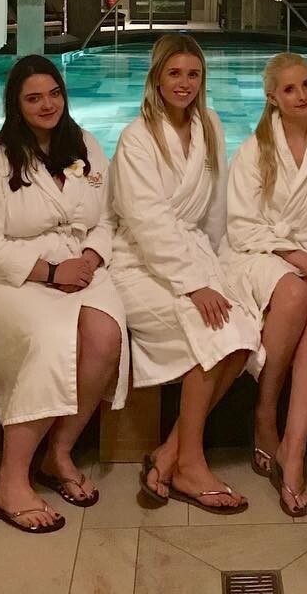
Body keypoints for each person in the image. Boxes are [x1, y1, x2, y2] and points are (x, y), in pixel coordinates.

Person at [0, 55, 126, 534]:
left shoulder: (86, 146)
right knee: (52, 339)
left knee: (106, 336)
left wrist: (90, 259)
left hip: (80, 267)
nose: (47, 104)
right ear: (16, 105)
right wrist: (51, 272)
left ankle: (59, 452)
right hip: (10, 279)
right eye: (33, 98)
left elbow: (107, 218)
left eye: (54, 94)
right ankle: (10, 481)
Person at [110, 34, 261, 515]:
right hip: (138, 262)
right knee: (211, 330)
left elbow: (214, 209)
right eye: (174, 73)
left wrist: (217, 269)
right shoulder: (137, 138)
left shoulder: (209, 124)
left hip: (194, 255)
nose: (184, 83)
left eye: (193, 74)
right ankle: (191, 464)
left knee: (244, 328)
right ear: (156, 77)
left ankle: (170, 453)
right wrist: (193, 285)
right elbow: (147, 223)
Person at [219, 52, 307, 516]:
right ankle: (265, 409)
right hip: (258, 253)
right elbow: (241, 227)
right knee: (295, 292)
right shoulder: (254, 149)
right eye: (290, 89)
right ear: (272, 97)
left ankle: (294, 451)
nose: (302, 96)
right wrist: (296, 256)